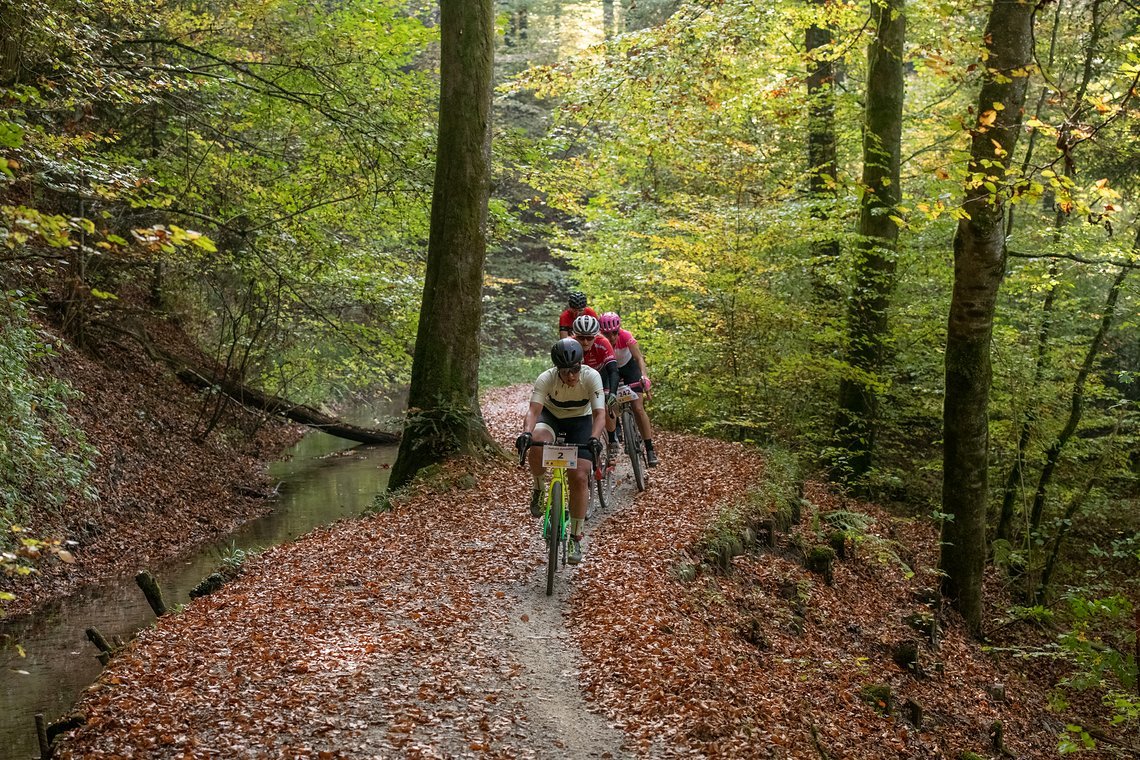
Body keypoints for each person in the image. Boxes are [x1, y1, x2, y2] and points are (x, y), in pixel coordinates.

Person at [516, 338, 607, 565]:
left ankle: (576, 536)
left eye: (575, 369)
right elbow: (534, 410)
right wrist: (526, 433)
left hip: (581, 421)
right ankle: (538, 488)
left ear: (581, 365)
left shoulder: (591, 376)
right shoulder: (546, 378)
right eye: (565, 371)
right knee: (536, 443)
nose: (571, 376)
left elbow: (599, 415)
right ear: (557, 369)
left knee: (578, 476)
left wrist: (594, 438)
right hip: (553, 417)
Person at [599, 311, 659, 467]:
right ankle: (616, 430)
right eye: (607, 334)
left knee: (638, 408)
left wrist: (644, 377)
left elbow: (639, 358)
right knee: (609, 403)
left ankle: (649, 448)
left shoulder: (626, 336)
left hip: (628, 368)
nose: (611, 337)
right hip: (610, 370)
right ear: (601, 332)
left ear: (619, 330)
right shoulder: (599, 341)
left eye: (614, 333)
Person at [569, 314, 622, 457]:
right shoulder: (569, 344)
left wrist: (612, 393)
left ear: (596, 335)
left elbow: (613, 371)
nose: (585, 342)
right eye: (581, 338)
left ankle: (612, 440)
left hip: (601, 375)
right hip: (580, 377)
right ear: (575, 336)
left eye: (590, 338)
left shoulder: (603, 342)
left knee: (604, 404)